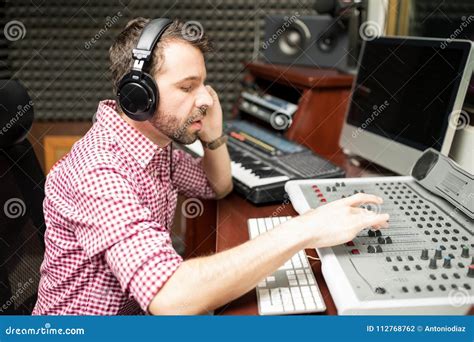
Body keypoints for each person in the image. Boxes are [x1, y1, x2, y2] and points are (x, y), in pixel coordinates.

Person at [33, 18, 389, 315]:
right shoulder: (98, 171)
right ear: (138, 95)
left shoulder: (156, 148)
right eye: (187, 87)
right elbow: (169, 296)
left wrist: (214, 137)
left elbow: (216, 186)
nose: (205, 98)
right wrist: (304, 231)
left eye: (203, 83)